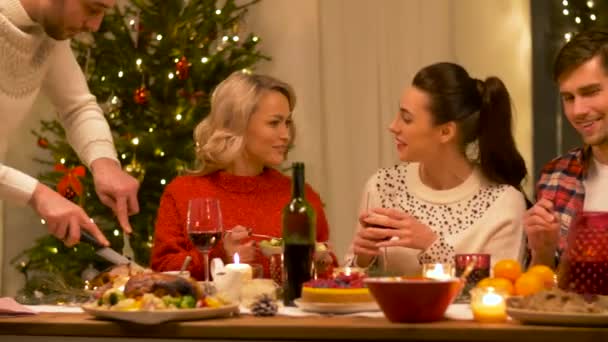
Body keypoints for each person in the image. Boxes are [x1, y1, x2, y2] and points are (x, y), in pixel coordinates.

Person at [348, 62, 528, 276]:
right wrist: (363, 258)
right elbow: (350, 280)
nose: (393, 126)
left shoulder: (504, 203)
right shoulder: (381, 186)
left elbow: (498, 292)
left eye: (406, 119)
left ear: (445, 132)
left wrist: (431, 244)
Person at [150, 72, 330, 280]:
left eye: (287, 123)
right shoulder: (182, 193)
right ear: (238, 124)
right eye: (274, 123)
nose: (286, 135)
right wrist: (221, 257)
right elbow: (162, 270)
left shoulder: (301, 198)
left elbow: (327, 273)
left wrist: (322, 262)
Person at [0, 0, 140, 247]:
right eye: (93, 9)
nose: (96, 26)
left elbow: (77, 107)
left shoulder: (47, 34)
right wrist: (38, 194)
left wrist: (104, 163)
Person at [524, 29, 608, 268]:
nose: (578, 110)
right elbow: (541, 292)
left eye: (590, 92)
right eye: (569, 98)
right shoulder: (556, 176)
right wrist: (543, 251)